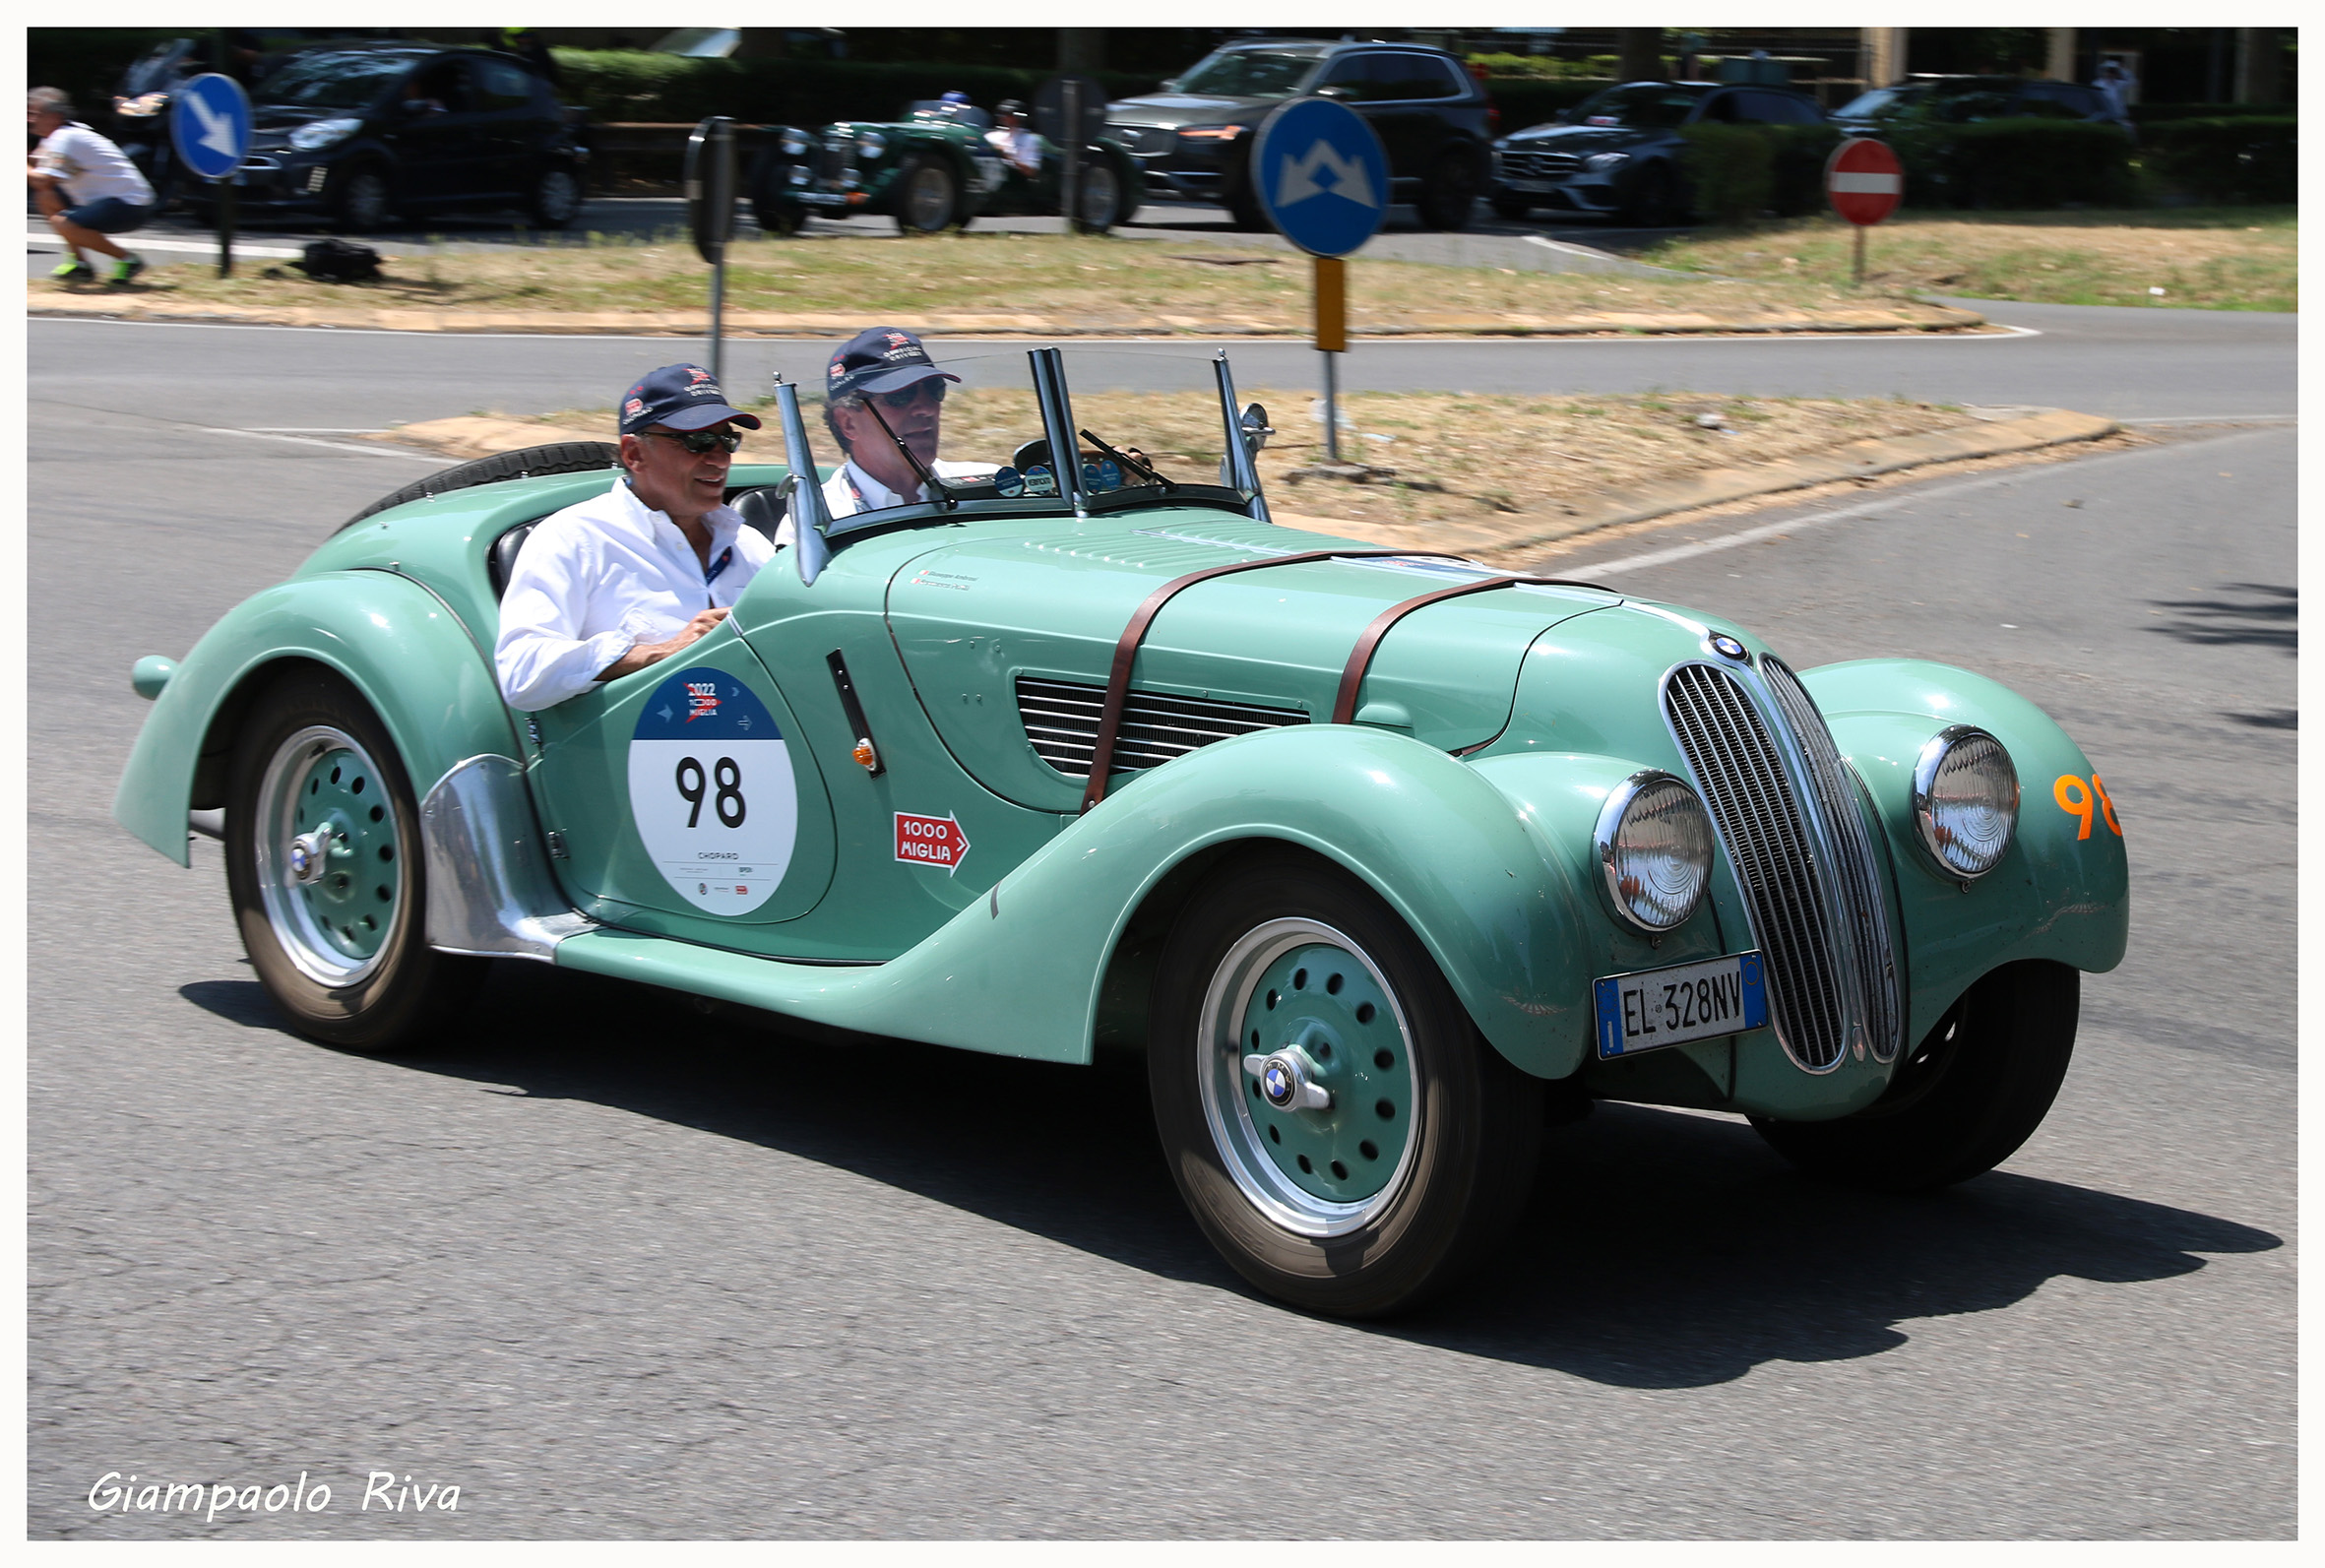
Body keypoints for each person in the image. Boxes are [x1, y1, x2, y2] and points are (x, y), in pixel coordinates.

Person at [495, 364, 772, 711]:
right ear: (634, 454)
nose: (718, 458)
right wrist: (659, 651)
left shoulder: (751, 546)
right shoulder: (573, 538)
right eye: (697, 441)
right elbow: (522, 672)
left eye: (728, 440)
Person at [807, 327, 995, 528]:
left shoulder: (992, 487)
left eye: (935, 390)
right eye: (899, 396)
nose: (926, 408)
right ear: (848, 423)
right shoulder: (819, 520)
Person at [28, 88, 155, 286]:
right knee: (46, 197)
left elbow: (41, 179)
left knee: (64, 222)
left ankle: (128, 260)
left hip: (128, 205)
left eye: (34, 114)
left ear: (54, 117)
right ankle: (80, 265)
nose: (30, 119)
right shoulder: (61, 135)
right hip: (113, 201)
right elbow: (42, 174)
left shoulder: (64, 139)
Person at [986, 99, 1041, 177]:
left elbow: (1031, 172)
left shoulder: (1030, 140)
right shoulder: (992, 136)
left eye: (1009, 114)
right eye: (1003, 113)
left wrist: (1006, 156)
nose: (1005, 117)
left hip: (1015, 180)